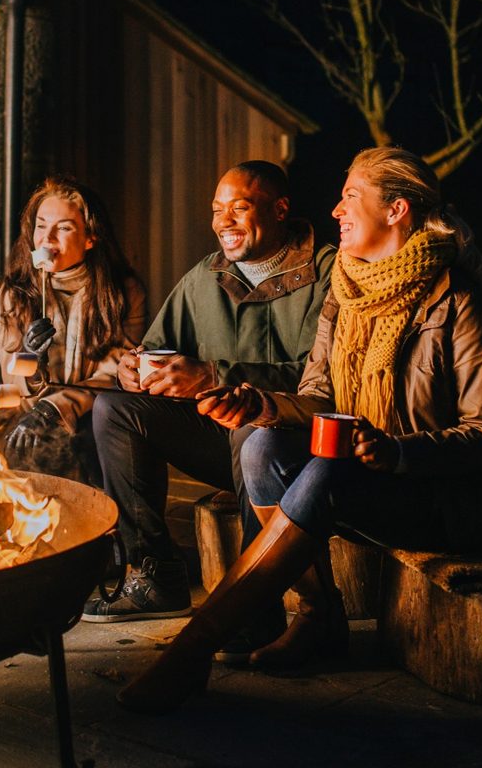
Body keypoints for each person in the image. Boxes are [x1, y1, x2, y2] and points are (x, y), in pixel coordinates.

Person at [118, 146, 482, 713]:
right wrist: (259, 404)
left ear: (396, 211)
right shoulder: (345, 294)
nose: (336, 210)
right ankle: (318, 613)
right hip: (370, 475)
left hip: (448, 496)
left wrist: (397, 452)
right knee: (260, 441)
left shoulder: (458, 301)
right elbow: (318, 397)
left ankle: (193, 649)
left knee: (327, 472)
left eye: (351, 197)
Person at [82, 160, 336, 645]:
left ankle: (252, 604)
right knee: (114, 410)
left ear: (280, 209)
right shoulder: (208, 275)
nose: (224, 221)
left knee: (250, 424)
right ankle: (154, 573)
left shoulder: (327, 273)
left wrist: (213, 376)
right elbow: (156, 347)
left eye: (239, 207)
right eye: (217, 210)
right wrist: (134, 370)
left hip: (290, 450)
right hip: (219, 440)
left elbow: (321, 380)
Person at [0, 176, 147, 485]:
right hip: (30, 408)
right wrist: (30, 361)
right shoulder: (14, 294)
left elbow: (116, 373)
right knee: (18, 444)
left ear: (90, 238)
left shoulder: (123, 292)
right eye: (40, 225)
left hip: (94, 411)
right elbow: (12, 380)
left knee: (94, 440)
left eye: (63, 228)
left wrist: (58, 407)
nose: (47, 238)